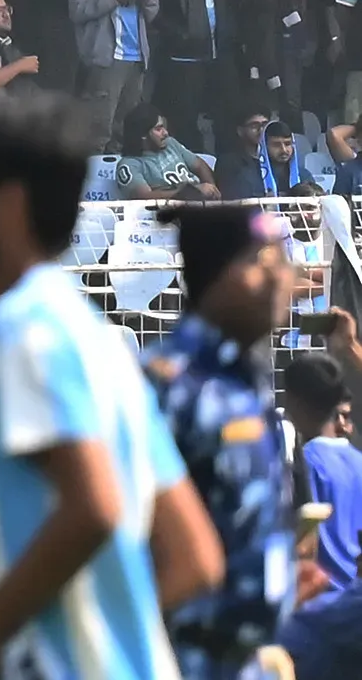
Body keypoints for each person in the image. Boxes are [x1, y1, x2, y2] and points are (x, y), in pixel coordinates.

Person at [0, 88, 225, 680]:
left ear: (8, 204)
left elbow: (93, 508)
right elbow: (195, 557)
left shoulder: (25, 332)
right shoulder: (95, 337)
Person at [146, 200, 297, 680]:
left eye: (282, 262)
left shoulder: (246, 382)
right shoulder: (166, 384)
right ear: (216, 273)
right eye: (260, 262)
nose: (280, 279)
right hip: (176, 661)